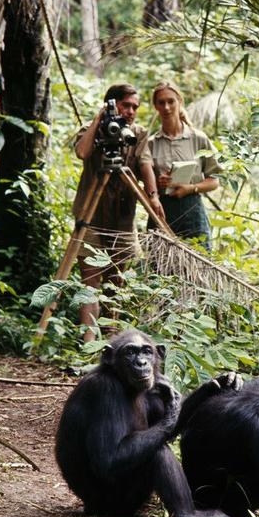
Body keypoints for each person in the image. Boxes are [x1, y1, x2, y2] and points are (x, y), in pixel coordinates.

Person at [73, 83, 164, 340]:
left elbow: (145, 163)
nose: (131, 111)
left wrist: (153, 195)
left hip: (123, 219)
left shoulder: (138, 134)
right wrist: (99, 119)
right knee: (90, 283)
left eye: (135, 106)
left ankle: (111, 339)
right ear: (112, 104)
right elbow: (82, 151)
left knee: (116, 283)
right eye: (126, 105)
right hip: (90, 216)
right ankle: (88, 343)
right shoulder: (91, 129)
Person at [148, 81, 222, 250]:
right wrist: (157, 183)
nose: (166, 107)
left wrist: (191, 188)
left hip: (192, 210)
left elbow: (215, 180)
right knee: (160, 268)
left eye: (171, 101)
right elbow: (144, 182)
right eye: (161, 102)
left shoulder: (198, 138)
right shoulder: (152, 143)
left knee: (198, 264)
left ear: (179, 102)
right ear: (156, 107)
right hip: (162, 210)